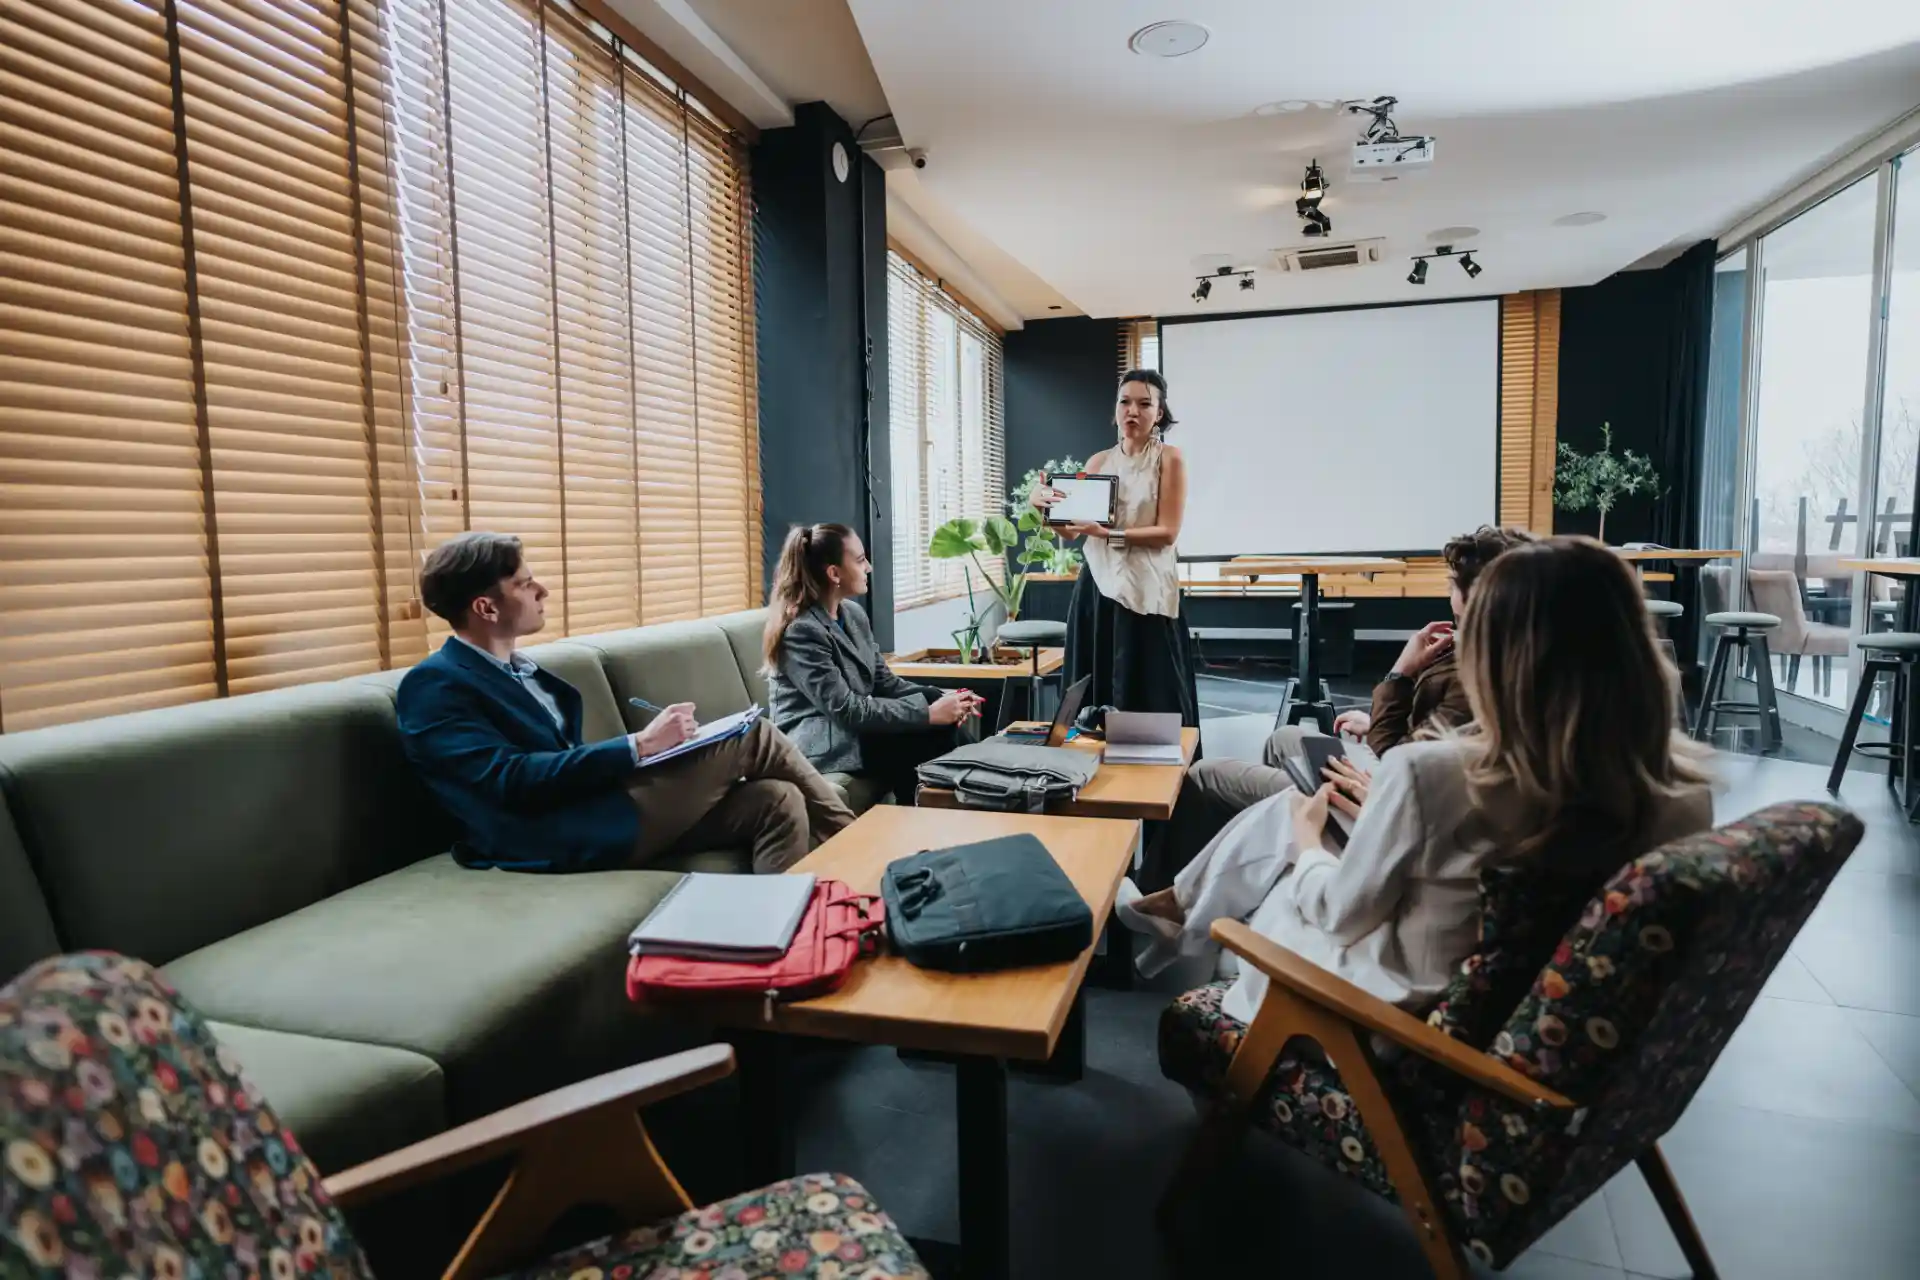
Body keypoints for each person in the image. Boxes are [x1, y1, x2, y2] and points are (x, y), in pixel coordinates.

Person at [1116, 535, 1713, 1024]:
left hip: (1385, 1019)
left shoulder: (1437, 774)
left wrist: (1306, 846)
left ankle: (1166, 923)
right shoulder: (1682, 796)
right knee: (1305, 821)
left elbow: (1337, 913)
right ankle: (1169, 916)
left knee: (1292, 840)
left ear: (1502, 646)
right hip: (1529, 1022)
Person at [397, 531, 855, 875]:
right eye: (525, 584)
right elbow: (507, 780)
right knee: (754, 734)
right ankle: (859, 848)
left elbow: (561, 761)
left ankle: (782, 943)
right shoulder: (434, 686)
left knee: (777, 799)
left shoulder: (521, 671)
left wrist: (657, 747)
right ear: (486, 608)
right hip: (549, 837)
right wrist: (638, 746)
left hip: (594, 809)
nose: (543, 591)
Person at [1142, 524, 1536, 889]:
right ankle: (1260, 876)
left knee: (1205, 775)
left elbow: (1403, 763)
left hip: (1377, 796)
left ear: (1479, 596)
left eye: (1453, 582)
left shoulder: (1475, 671)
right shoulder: (1500, 652)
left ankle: (1165, 893)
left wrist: (1400, 672)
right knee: (1284, 738)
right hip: (1386, 774)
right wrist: (1379, 715)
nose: (1449, 591)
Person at [763, 523, 984, 807]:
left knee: (931, 705)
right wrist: (929, 714)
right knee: (928, 733)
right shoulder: (802, 631)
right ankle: (982, 788)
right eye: (859, 560)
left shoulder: (853, 615)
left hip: (850, 730)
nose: (868, 567)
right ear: (834, 573)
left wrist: (944, 698)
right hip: (820, 741)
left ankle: (966, 792)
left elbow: (886, 683)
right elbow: (847, 711)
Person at [1034, 368, 1199, 732]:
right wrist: (1043, 507)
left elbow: (1168, 533)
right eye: (1125, 402)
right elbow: (1071, 534)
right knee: (1093, 694)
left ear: (1159, 413)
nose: (1132, 411)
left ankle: (1160, 780)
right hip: (1097, 589)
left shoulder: (1169, 459)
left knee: (1153, 690)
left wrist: (1107, 534)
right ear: (1115, 410)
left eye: (1144, 404)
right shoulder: (1098, 462)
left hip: (1148, 591)